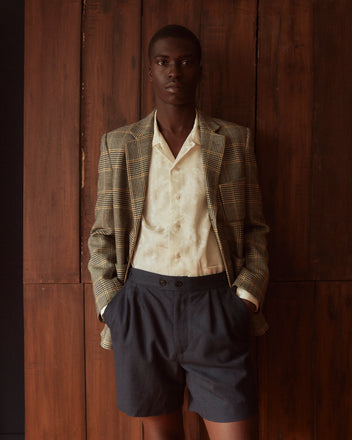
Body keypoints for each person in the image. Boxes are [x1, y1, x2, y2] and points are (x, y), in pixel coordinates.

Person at [88, 24, 269, 440]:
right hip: (141, 307)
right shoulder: (120, 144)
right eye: (163, 62)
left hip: (216, 306)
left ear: (200, 70)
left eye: (185, 62)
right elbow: (102, 236)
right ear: (150, 71)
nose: (175, 72)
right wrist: (110, 307)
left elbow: (256, 228)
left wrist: (246, 300)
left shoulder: (233, 141)